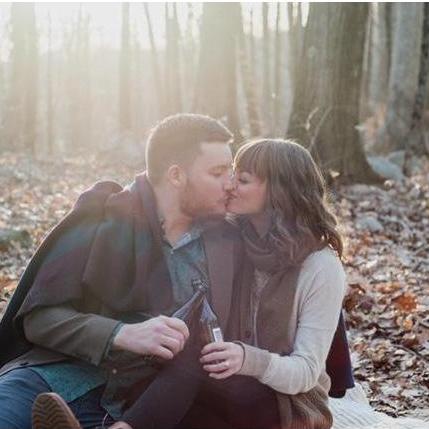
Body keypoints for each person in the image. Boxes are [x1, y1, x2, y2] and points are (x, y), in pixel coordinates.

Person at [0, 113, 242, 429]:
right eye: (218, 172)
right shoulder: (102, 219)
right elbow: (40, 319)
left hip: (131, 407)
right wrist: (122, 334)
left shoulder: (224, 246)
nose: (231, 183)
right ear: (176, 175)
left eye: (232, 171)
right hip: (52, 378)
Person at [199, 138, 349, 429]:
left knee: (241, 401)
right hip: (230, 388)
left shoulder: (321, 267)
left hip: (294, 404)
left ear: (279, 192)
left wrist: (247, 359)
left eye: (242, 179)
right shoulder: (230, 239)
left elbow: (306, 371)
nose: (230, 185)